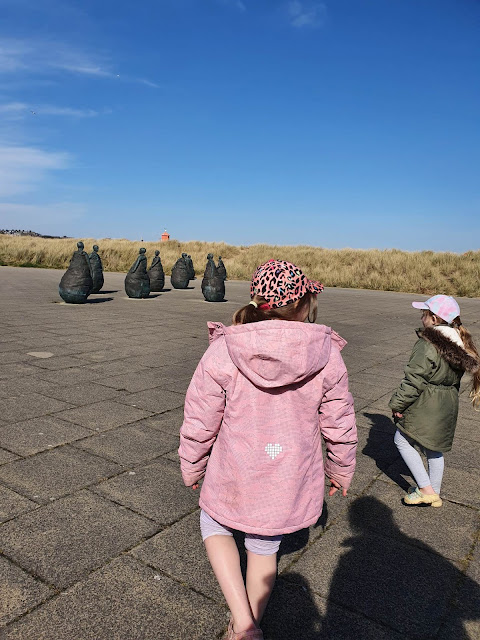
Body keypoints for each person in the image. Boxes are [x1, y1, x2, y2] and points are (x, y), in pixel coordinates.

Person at [179, 259, 357, 640]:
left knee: (214, 523)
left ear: (257, 300)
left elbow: (200, 416)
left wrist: (192, 464)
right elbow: (339, 420)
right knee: (265, 544)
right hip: (287, 472)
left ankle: (242, 623)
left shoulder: (226, 348)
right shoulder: (325, 354)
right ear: (305, 303)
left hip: (235, 467)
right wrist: (341, 468)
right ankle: (249, 626)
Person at [389, 294, 480, 507]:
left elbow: (414, 379)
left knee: (401, 440)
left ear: (435, 319)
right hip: (447, 403)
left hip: (426, 401)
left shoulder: (429, 344)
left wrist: (398, 404)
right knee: (434, 447)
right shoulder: (459, 343)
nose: (422, 318)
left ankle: (426, 490)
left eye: (424, 314)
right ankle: (434, 492)